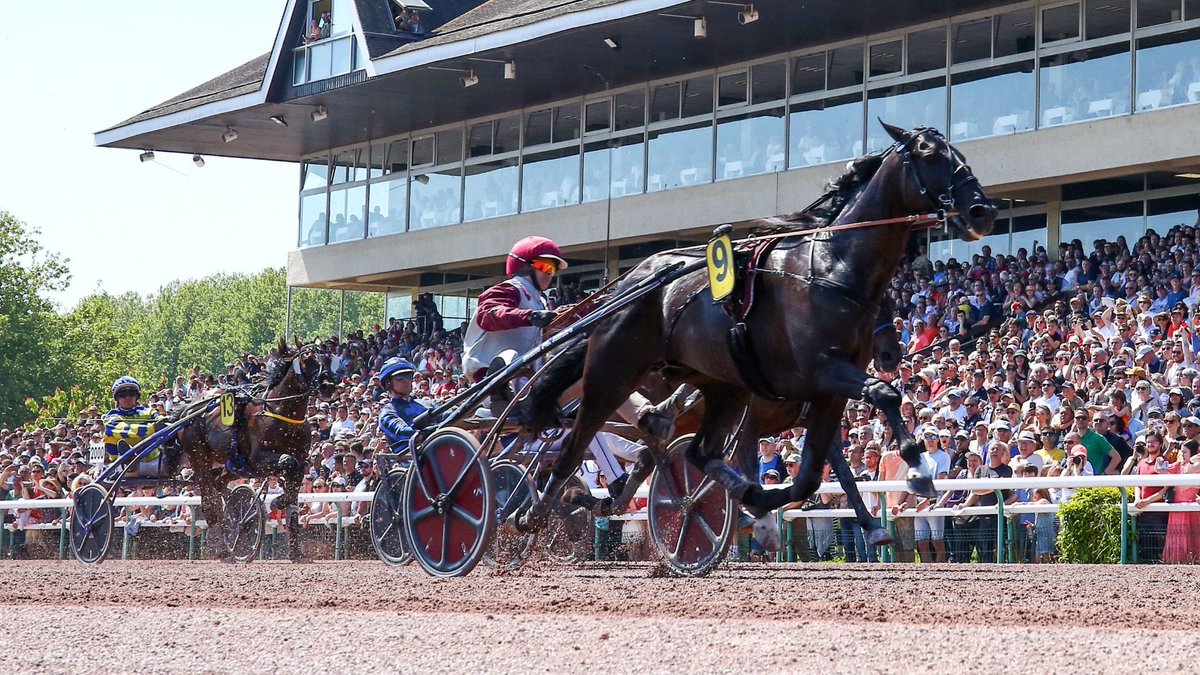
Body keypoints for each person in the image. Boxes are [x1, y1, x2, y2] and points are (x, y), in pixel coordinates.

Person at [103, 376, 176, 477]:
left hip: (153, 463)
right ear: (117, 399)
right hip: (121, 466)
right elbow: (124, 430)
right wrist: (152, 428)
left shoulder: (148, 411)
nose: (128, 397)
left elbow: (161, 420)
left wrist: (164, 422)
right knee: (117, 438)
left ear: (137, 396)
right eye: (123, 395)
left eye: (131, 394)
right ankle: (130, 460)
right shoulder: (111, 417)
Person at [377, 358, 427, 454]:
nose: (406, 381)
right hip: (410, 462)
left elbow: (448, 417)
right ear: (388, 383)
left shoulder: (426, 404)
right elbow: (401, 432)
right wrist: (429, 431)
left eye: (408, 376)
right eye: (400, 377)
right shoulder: (387, 412)